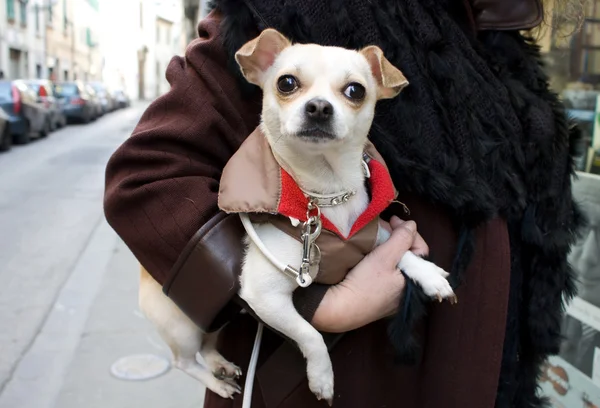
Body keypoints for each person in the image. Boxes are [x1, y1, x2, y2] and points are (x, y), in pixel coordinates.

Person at [103, 0, 583, 407]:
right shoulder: (292, 11)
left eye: (350, 93)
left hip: (482, 372)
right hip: (340, 382)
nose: (318, 103)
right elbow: (146, 180)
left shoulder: (501, 37)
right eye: (293, 88)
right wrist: (318, 304)